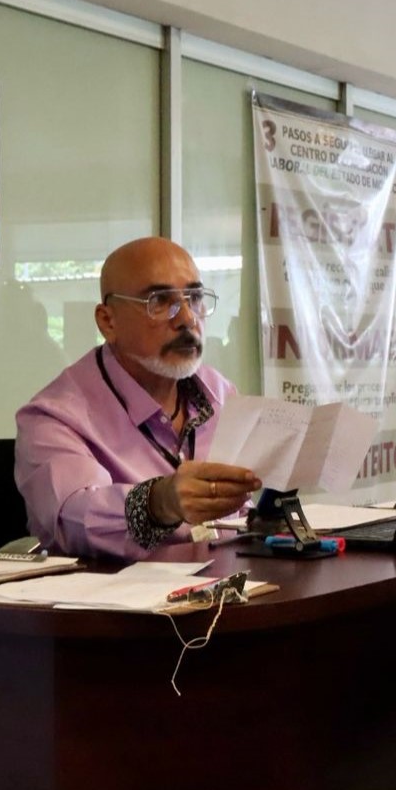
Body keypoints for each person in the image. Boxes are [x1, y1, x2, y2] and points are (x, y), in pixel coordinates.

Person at [15, 236, 259, 560]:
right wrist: (159, 503)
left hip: (230, 592)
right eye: (160, 301)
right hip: (119, 604)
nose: (187, 318)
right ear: (108, 321)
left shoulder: (220, 393)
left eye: (195, 297)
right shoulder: (56, 416)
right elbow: (73, 521)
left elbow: (243, 516)